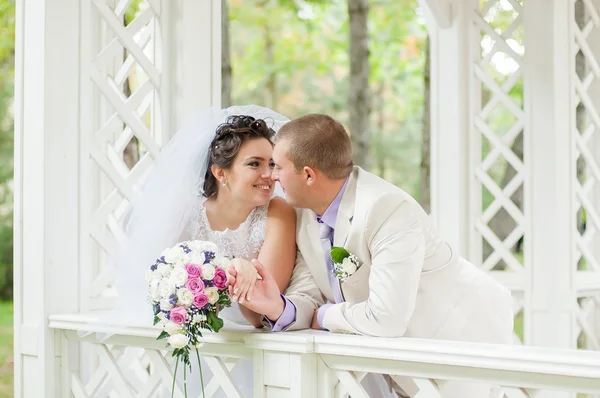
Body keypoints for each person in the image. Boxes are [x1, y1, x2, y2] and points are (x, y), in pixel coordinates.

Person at [229, 113, 514, 397]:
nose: (272, 175)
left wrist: (326, 315)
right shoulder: (303, 212)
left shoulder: (387, 209)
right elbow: (309, 292)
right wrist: (277, 306)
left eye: (278, 166)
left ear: (308, 175)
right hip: (402, 361)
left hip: (459, 345)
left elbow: (386, 318)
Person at [112, 105, 296, 397]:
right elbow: (165, 282)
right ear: (220, 172)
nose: (269, 174)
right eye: (255, 164)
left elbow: (258, 313)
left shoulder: (279, 212)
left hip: (259, 344)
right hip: (203, 341)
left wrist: (233, 269)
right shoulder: (188, 213)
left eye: (272, 164)